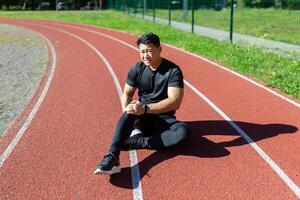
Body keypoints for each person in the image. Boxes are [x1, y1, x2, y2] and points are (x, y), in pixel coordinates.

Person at [94, 32, 190, 175]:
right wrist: (129, 110)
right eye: (142, 52)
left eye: (149, 51)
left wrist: (144, 108)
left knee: (183, 132)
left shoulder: (173, 71)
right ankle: (112, 157)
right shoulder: (137, 68)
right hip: (140, 116)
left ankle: (138, 142)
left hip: (162, 118)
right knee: (129, 110)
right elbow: (127, 93)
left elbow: (175, 102)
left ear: (159, 49)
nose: (145, 55)